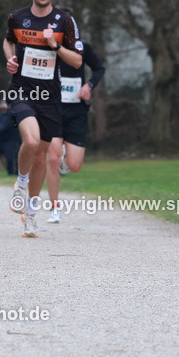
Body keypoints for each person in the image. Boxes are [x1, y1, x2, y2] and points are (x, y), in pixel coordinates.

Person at [4, 0, 82, 237]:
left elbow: (77, 60)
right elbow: (7, 42)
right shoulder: (17, 17)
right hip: (22, 90)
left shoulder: (65, 22)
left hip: (50, 96)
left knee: (42, 158)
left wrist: (55, 45)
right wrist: (10, 58)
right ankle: (21, 182)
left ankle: (31, 214)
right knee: (32, 141)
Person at [44, 17, 105, 223]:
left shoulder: (82, 48)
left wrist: (88, 86)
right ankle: (54, 207)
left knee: (75, 165)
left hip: (77, 110)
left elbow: (99, 68)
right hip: (53, 108)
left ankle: (65, 159)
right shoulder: (45, 47)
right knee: (51, 157)